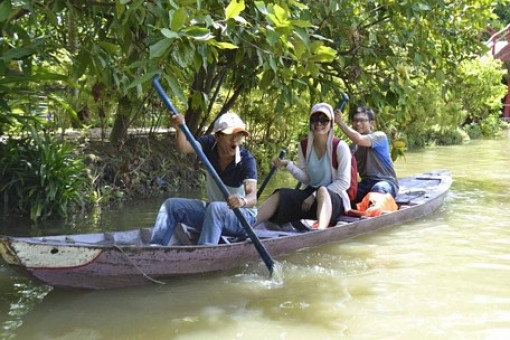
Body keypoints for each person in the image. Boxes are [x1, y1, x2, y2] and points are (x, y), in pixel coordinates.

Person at [150, 112, 257, 246]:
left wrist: (242, 201)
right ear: (218, 136)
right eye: (230, 135)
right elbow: (183, 147)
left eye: (239, 135)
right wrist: (179, 128)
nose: (235, 140)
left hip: (242, 218)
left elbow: (253, 197)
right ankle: (156, 250)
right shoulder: (209, 145)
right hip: (214, 212)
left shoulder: (246, 160)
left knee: (215, 208)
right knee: (171, 206)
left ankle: (204, 253)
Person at [255, 103, 352, 230]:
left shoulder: (340, 146)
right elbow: (307, 178)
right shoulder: (304, 145)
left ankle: (319, 232)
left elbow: (344, 182)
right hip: (310, 196)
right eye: (314, 119)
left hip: (333, 200)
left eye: (324, 120)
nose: (318, 124)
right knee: (281, 194)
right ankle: (248, 225)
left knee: (323, 190)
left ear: (331, 124)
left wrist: (315, 195)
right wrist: (288, 165)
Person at [334, 105, 398, 204]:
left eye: (362, 120)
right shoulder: (353, 148)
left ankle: (374, 211)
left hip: (386, 182)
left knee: (378, 190)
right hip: (365, 183)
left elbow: (359, 139)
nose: (358, 123)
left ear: (371, 124)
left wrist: (340, 123)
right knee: (343, 195)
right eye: (355, 120)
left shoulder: (380, 137)